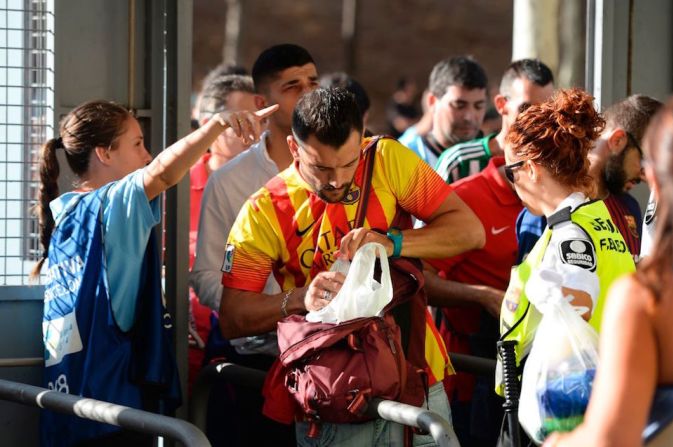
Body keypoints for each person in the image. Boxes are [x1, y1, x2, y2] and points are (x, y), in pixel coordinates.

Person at [221, 87, 486, 446]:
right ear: (294, 148)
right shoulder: (263, 208)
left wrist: (392, 242)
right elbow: (234, 317)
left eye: (349, 164)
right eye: (322, 168)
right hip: (332, 398)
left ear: (361, 140)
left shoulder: (387, 158)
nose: (338, 180)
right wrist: (300, 298)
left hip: (417, 373)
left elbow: (470, 231)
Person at [34, 99, 274, 446]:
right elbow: (162, 172)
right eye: (137, 144)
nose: (146, 154)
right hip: (112, 412)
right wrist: (216, 126)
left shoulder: (66, 214)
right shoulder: (113, 207)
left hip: (67, 411)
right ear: (104, 153)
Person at [543, 99, 673, 447]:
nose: (642, 176)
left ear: (659, 181)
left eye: (648, 166)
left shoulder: (647, 296)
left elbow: (611, 439)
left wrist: (557, 443)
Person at [496, 88, 635, 400]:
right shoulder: (594, 217)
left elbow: (581, 303)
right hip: (600, 389)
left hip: (569, 401)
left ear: (530, 169)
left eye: (510, 172)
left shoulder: (570, 233)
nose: (510, 183)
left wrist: (545, 293)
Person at [190, 43, 318, 318]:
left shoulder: (340, 166)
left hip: (335, 343)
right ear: (262, 104)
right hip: (259, 348)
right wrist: (267, 309)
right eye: (293, 87)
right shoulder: (229, 180)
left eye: (313, 83)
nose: (308, 95)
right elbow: (207, 276)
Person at [425, 156, 522, 446]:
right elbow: (417, 279)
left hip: (524, 372)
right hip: (470, 370)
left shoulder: (562, 197)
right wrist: (482, 296)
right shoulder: (466, 196)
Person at [514, 94, 662, 264]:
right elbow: (526, 287)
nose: (645, 176)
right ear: (617, 140)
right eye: (645, 161)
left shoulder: (630, 207)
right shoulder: (546, 206)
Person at [188, 73, 258, 389]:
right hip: (184, 344)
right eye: (241, 123)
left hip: (241, 345)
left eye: (260, 121)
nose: (255, 134)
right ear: (208, 126)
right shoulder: (175, 188)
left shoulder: (271, 188)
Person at [435, 58, 554, 184]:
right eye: (526, 108)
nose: (538, 118)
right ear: (501, 105)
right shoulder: (459, 162)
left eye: (547, 109)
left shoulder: (558, 163)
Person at [401, 56, 488, 167]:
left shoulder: (493, 160)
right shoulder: (403, 159)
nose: (469, 116)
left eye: (478, 106)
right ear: (432, 101)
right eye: (459, 105)